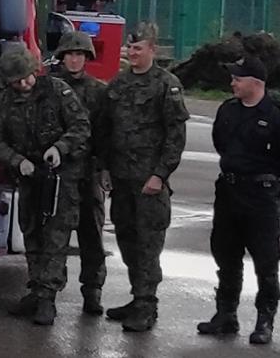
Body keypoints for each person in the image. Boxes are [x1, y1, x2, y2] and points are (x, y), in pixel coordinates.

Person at [198, 58, 280, 346]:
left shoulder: (277, 115)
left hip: (260, 196)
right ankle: (225, 314)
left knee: (265, 260)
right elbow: (220, 143)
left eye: (238, 78)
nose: (232, 82)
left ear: (256, 83)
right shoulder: (228, 110)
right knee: (226, 255)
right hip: (229, 192)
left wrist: (268, 174)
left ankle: (264, 320)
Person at [0, 47, 92, 326]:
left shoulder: (58, 91)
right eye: (16, 81)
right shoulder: (7, 101)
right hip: (29, 175)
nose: (23, 84)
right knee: (31, 231)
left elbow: (81, 126)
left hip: (60, 175)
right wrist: (17, 160)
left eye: (26, 78)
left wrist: (60, 148)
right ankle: (35, 289)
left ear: (35, 70)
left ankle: (48, 298)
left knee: (56, 236)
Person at [97, 23, 189, 332]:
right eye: (129, 48)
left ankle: (147, 305)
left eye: (138, 48)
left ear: (153, 49)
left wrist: (161, 174)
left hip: (149, 182)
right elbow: (105, 131)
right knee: (127, 240)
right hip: (121, 180)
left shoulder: (167, 84)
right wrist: (105, 167)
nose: (132, 53)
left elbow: (175, 136)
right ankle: (137, 297)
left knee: (149, 244)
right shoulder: (118, 85)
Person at [50, 29, 111, 315]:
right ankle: (48, 289)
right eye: (70, 55)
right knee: (54, 234)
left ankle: (92, 289)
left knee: (92, 235)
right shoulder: (48, 86)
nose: (74, 60)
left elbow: (106, 132)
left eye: (79, 55)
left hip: (88, 172)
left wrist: (103, 168)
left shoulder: (99, 91)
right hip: (57, 172)